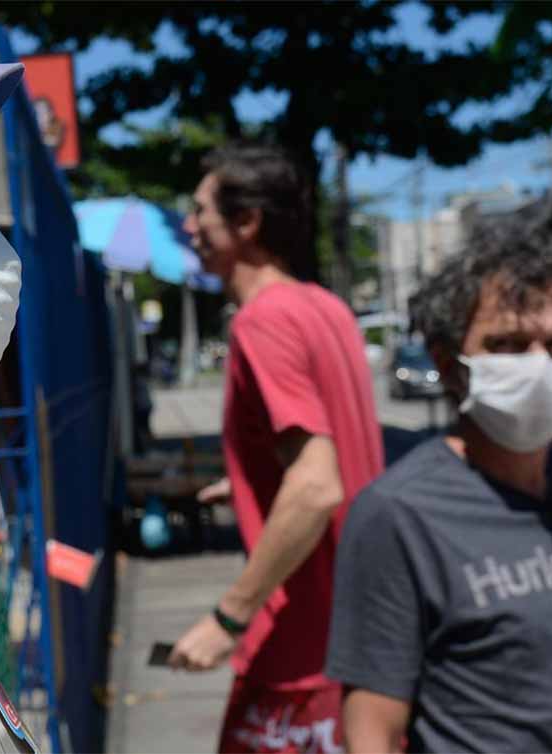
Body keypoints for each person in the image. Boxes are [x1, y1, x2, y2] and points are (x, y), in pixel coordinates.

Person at [325, 223, 552, 753]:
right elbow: (373, 732)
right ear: (448, 363)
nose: (537, 365)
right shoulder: (399, 515)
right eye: (506, 345)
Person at [169, 145, 384, 754]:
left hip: (299, 644)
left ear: (247, 223)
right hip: (362, 631)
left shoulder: (262, 321)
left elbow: (317, 485)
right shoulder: (328, 309)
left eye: (200, 211)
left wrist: (228, 619)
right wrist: (245, 483)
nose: (189, 226)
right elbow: (332, 445)